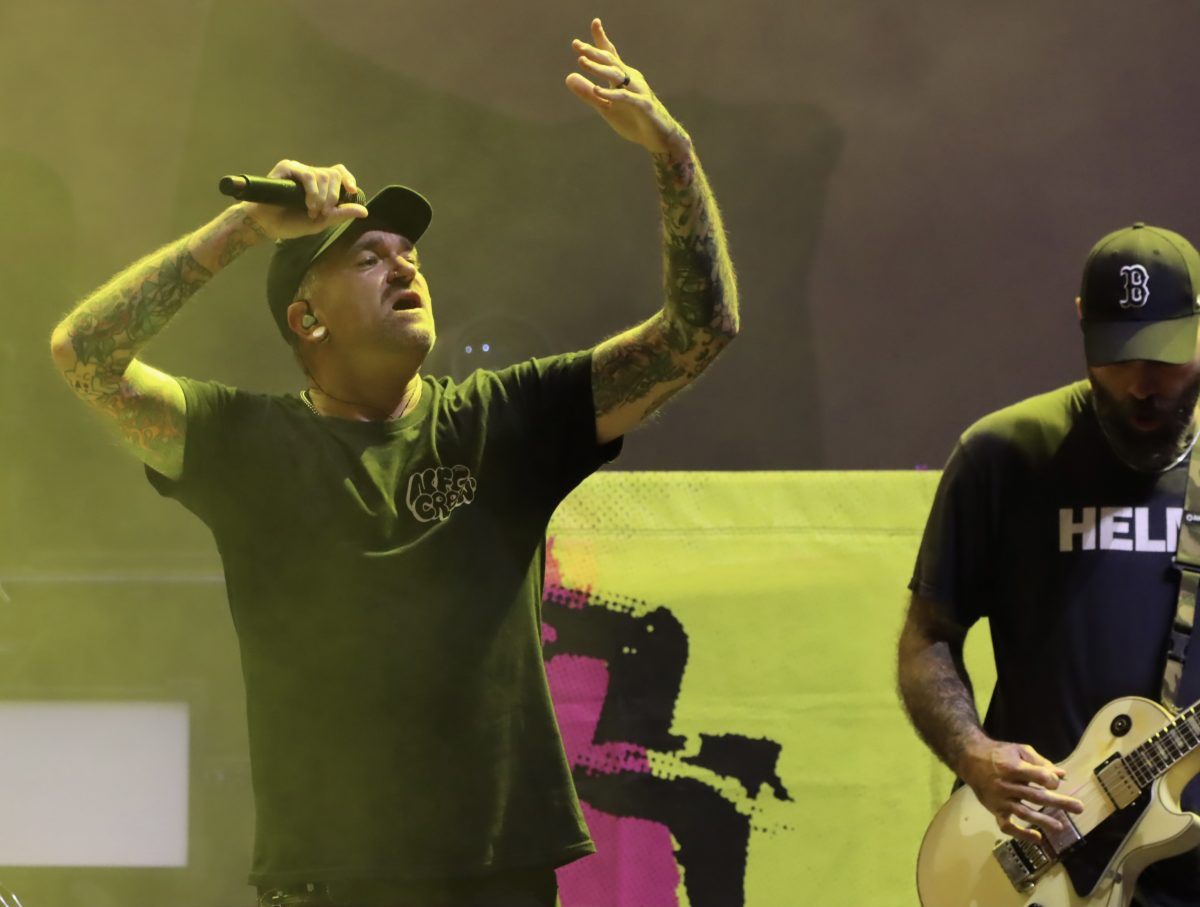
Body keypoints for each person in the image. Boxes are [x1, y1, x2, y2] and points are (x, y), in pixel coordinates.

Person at [48, 18, 738, 907]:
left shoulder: (502, 420)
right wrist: (241, 231)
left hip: (501, 877)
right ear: (307, 319)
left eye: (409, 254)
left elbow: (699, 331)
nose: (404, 267)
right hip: (331, 878)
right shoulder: (247, 443)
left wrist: (673, 153)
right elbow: (84, 354)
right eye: (368, 257)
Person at [897, 221, 1200, 906]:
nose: (1142, 386)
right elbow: (928, 637)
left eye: (1164, 358)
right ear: (1082, 322)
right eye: (1119, 359)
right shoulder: (1005, 455)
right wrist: (973, 752)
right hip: (1040, 865)